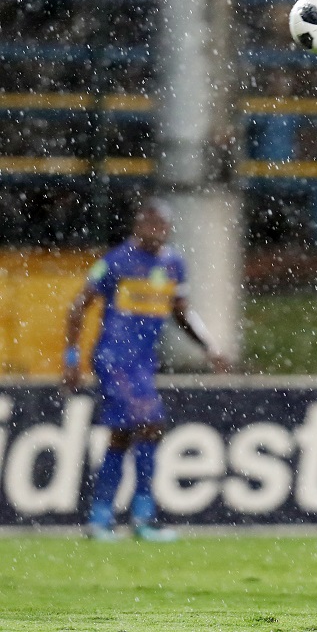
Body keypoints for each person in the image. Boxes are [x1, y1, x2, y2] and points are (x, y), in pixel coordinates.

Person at [62, 199, 229, 542]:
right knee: (150, 423)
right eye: (149, 224)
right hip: (114, 358)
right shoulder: (115, 261)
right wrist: (71, 359)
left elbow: (181, 312)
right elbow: (78, 307)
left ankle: (101, 517)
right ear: (137, 226)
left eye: (161, 225)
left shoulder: (173, 264)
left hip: (142, 362)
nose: (156, 231)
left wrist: (209, 347)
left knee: (123, 435)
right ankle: (141, 516)